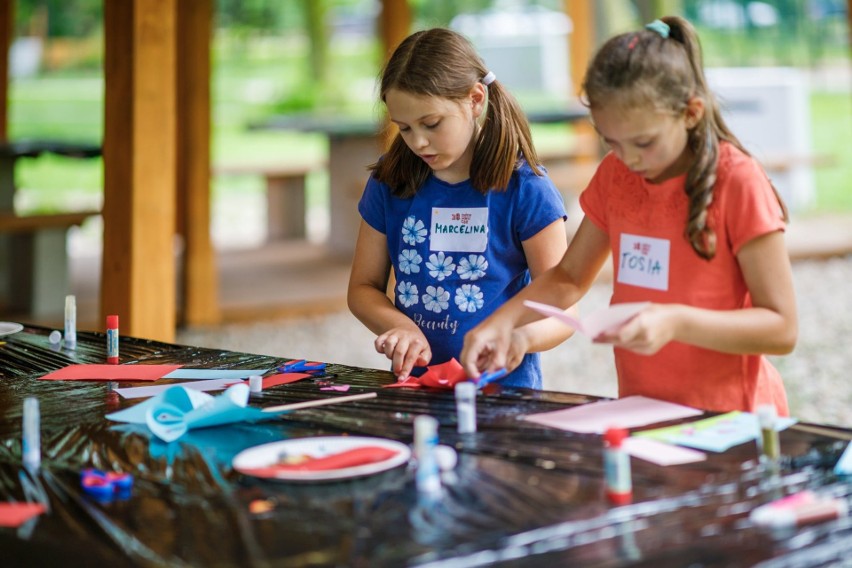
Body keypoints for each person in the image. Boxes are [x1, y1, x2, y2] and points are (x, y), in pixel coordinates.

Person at [461, 16, 798, 415]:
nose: (629, 158)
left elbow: (782, 329)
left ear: (690, 112)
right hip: (643, 409)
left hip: (731, 417)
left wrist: (675, 322)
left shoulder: (738, 181)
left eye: (643, 142)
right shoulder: (616, 174)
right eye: (612, 142)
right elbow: (569, 278)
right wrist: (502, 323)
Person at [347, 27, 574, 389]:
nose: (418, 141)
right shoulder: (390, 181)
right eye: (404, 128)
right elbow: (362, 287)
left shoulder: (526, 189)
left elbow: (564, 310)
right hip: (415, 388)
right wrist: (399, 325)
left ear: (475, 99)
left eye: (431, 124)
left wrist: (521, 339)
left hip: (503, 394)